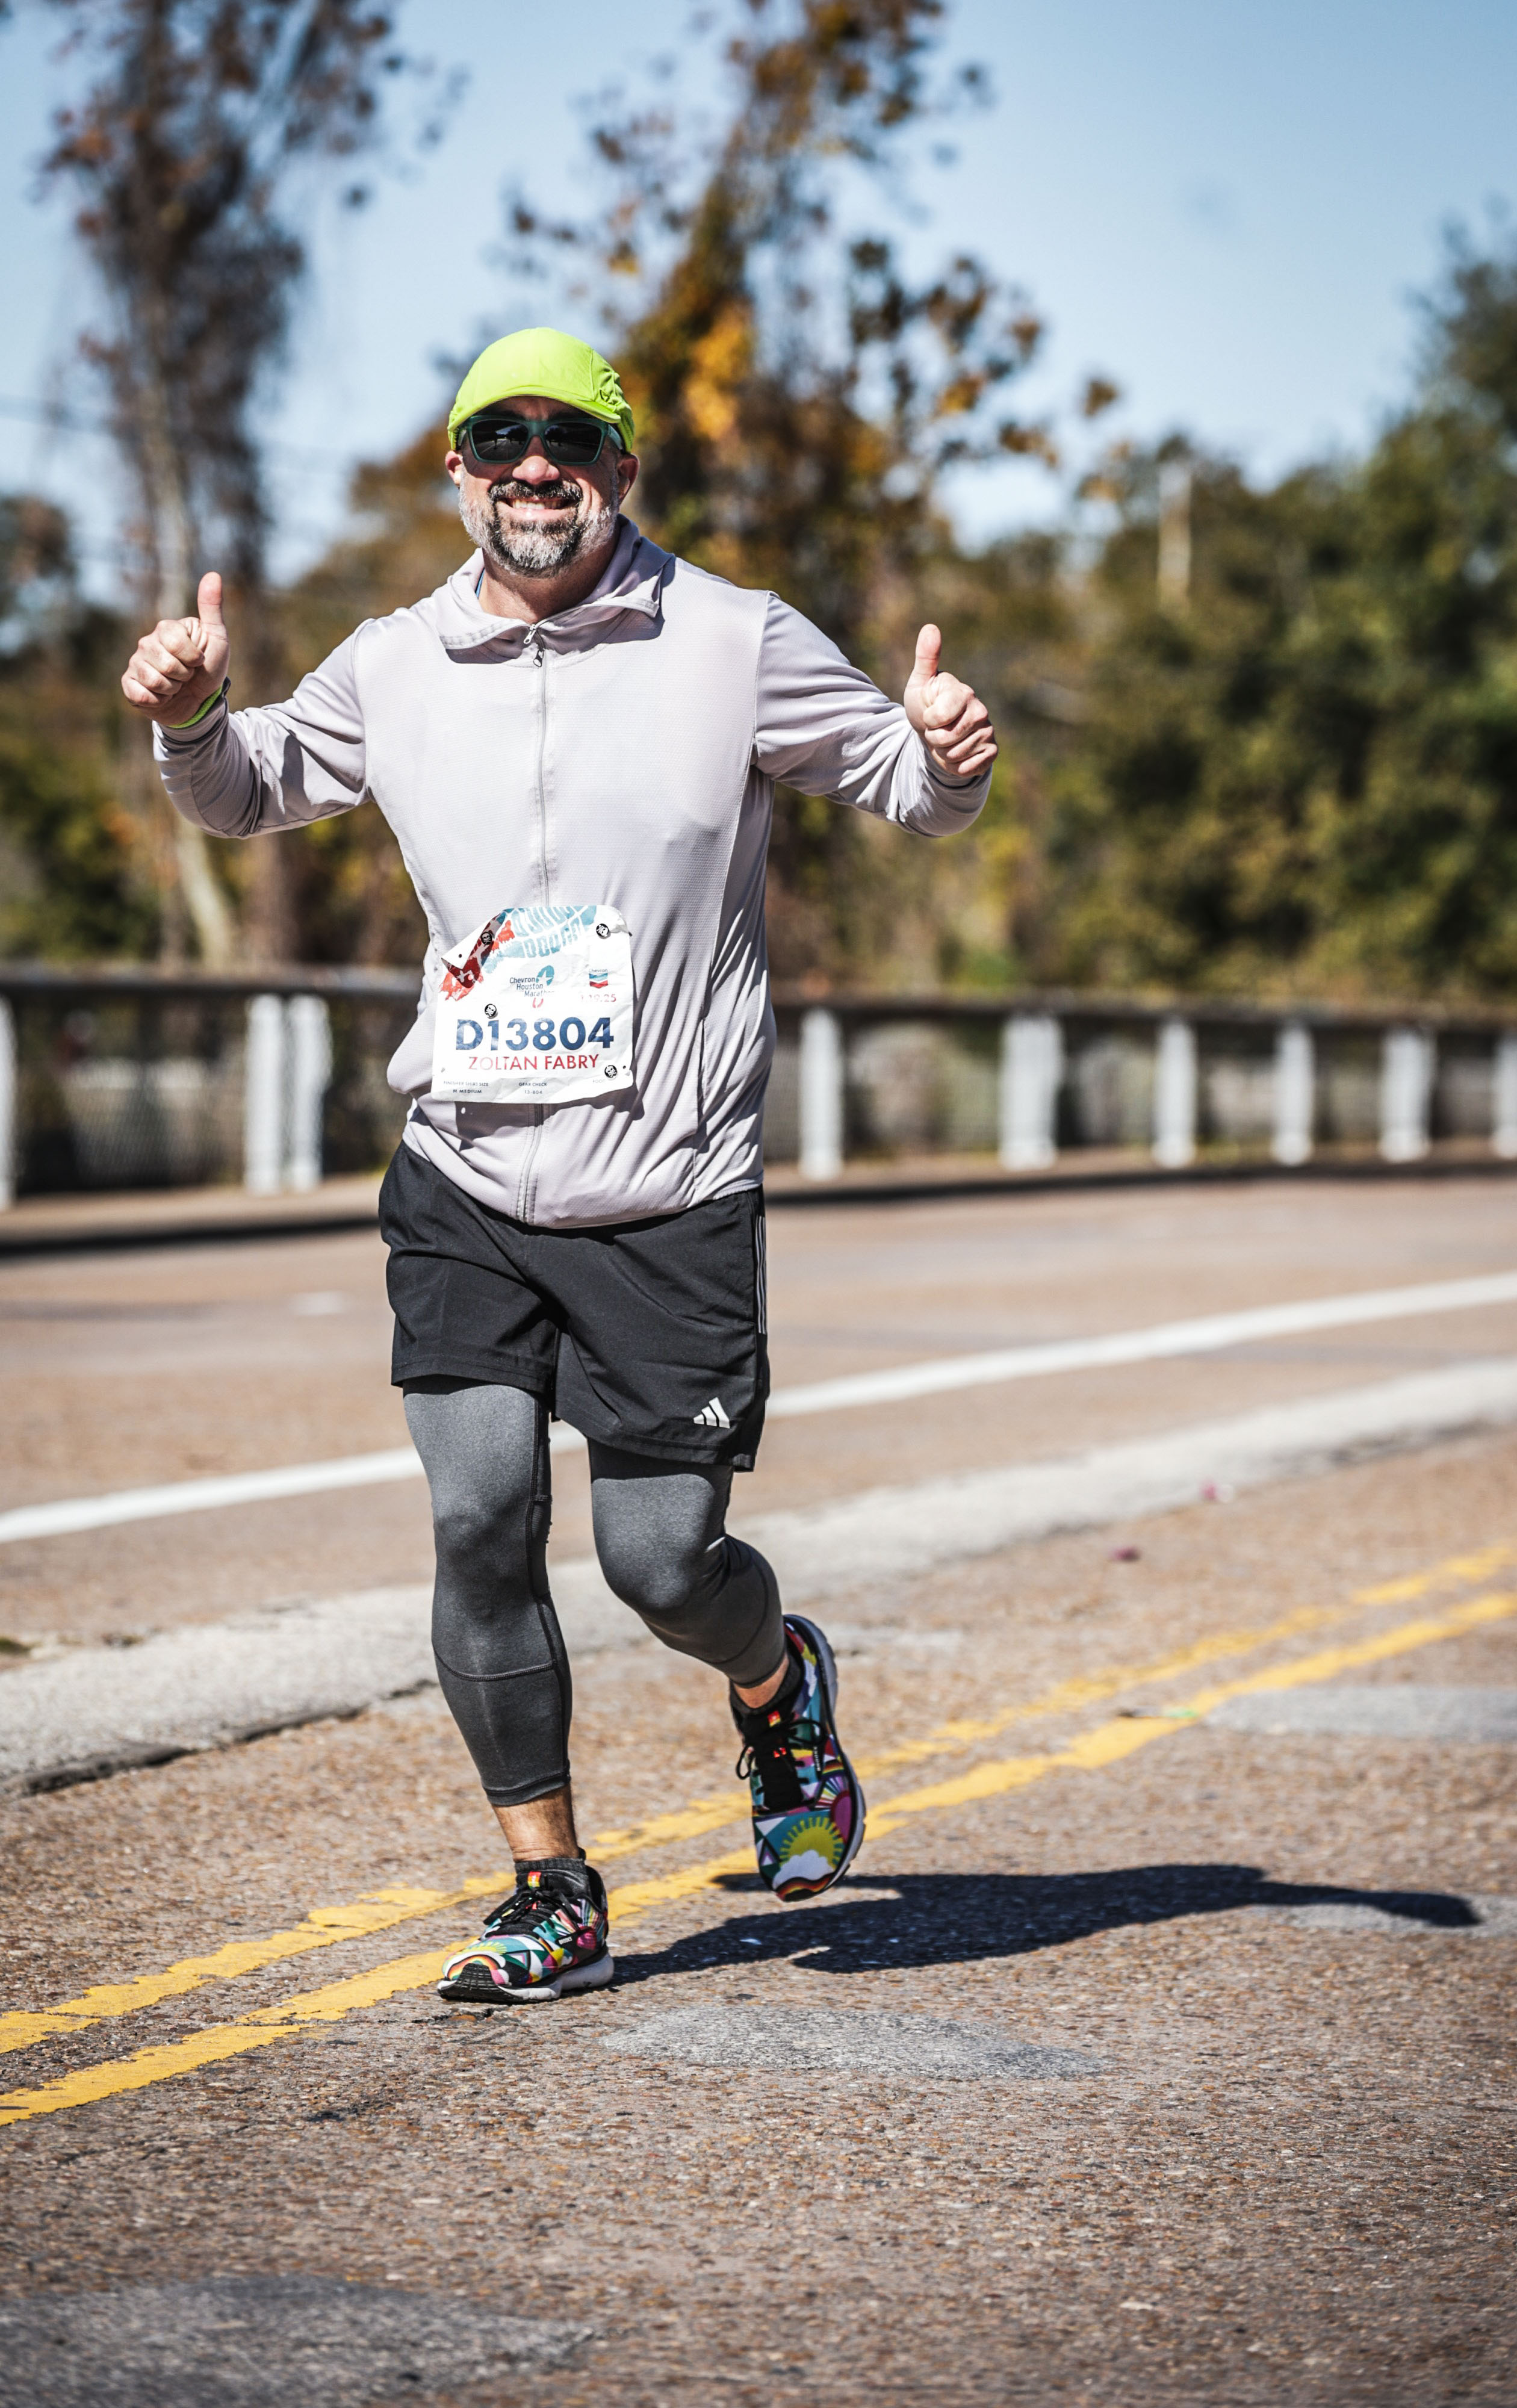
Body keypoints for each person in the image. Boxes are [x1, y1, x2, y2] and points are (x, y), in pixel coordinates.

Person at [122, 326, 997, 2003]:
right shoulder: (394, 661)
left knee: (662, 1564)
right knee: (479, 1523)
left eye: (570, 441)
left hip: (667, 1187)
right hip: (466, 1179)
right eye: (499, 438)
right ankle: (553, 1887)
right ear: (458, 471)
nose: (536, 466)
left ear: (622, 470)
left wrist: (947, 754)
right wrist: (190, 720)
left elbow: (902, 787)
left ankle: (775, 1683)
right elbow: (248, 794)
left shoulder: (732, 640)